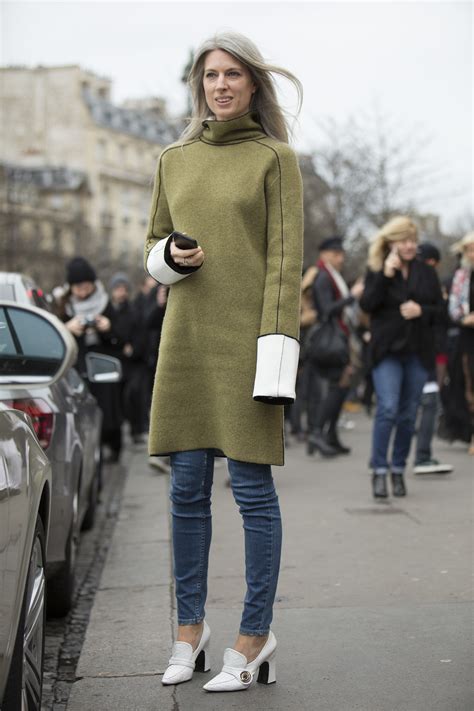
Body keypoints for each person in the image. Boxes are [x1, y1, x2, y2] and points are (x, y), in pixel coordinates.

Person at [144, 31, 303, 692]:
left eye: (233, 74)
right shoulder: (173, 159)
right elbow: (153, 242)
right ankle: (188, 632)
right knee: (184, 493)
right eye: (211, 74)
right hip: (186, 344)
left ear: (252, 84)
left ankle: (254, 633)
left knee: (251, 493)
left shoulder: (274, 158)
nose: (221, 85)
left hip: (249, 348)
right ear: (199, 84)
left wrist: (274, 361)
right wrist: (170, 258)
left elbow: (284, 266)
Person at [359, 217, 444, 499]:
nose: (409, 246)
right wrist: (384, 274)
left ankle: (398, 469)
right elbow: (367, 304)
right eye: (403, 240)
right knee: (388, 409)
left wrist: (422, 311)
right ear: (391, 242)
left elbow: (442, 312)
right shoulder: (377, 268)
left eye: (412, 240)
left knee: (408, 416)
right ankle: (379, 471)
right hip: (387, 352)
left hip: (418, 352)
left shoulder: (426, 272)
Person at [56, 257, 124, 462]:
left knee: (107, 411)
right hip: (75, 369)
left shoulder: (105, 304)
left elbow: (122, 339)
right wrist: (67, 329)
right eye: (78, 288)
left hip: (103, 367)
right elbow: (55, 337)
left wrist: (107, 328)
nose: (83, 292)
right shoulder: (62, 307)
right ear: (71, 288)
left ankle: (110, 446)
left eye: (86, 287)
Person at [306, 237, 364, 457]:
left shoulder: (330, 275)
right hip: (330, 340)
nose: (342, 258)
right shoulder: (323, 277)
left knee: (341, 386)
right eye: (337, 253)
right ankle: (317, 433)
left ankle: (328, 435)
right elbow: (327, 310)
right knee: (336, 386)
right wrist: (352, 297)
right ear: (326, 254)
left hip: (338, 337)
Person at [413, 243, 453, 474]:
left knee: (404, 407)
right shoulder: (427, 283)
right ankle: (422, 456)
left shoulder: (405, 278)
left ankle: (385, 461)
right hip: (428, 350)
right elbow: (439, 317)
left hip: (414, 350)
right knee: (429, 402)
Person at [109, 272, 148, 445]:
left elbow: (140, 334)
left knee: (133, 397)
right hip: (114, 361)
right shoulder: (109, 311)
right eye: (118, 288)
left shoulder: (133, 311)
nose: (121, 292)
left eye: (124, 289)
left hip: (131, 363)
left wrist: (133, 348)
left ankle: (136, 430)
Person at [448, 231, 474, 455]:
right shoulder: (461, 276)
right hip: (468, 336)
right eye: (470, 249)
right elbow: (454, 306)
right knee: (470, 384)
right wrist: (464, 318)